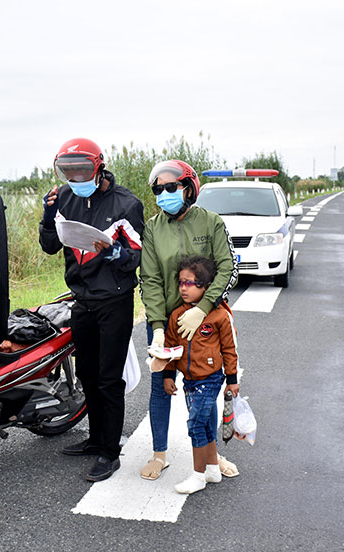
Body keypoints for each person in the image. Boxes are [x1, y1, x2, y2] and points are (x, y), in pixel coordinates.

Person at [39, 137, 144, 481]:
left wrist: (116, 253)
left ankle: (109, 452)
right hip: (81, 299)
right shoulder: (64, 197)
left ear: (98, 168)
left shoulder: (126, 203)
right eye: (68, 171)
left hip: (114, 300)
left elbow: (138, 257)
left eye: (82, 171)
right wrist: (48, 216)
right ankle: (95, 439)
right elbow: (50, 246)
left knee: (109, 378)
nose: (75, 178)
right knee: (87, 373)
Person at [139, 159, 239, 480]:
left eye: (171, 187)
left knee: (205, 389)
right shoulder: (153, 228)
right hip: (168, 322)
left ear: (188, 188)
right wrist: (157, 327)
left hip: (204, 321)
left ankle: (212, 456)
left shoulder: (211, 222)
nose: (164, 194)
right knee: (161, 386)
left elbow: (227, 267)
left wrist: (203, 308)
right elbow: (150, 278)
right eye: (158, 190)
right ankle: (159, 454)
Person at [151, 256, 239, 494]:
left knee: (196, 424)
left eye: (190, 283)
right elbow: (170, 347)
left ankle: (198, 476)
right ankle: (212, 470)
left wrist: (232, 380)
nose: (183, 288)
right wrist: (167, 376)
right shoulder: (177, 315)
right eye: (181, 282)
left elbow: (230, 349)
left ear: (206, 287)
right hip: (189, 381)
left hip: (210, 380)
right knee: (204, 425)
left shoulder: (219, 316)